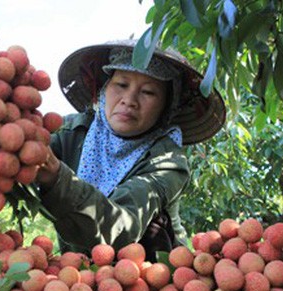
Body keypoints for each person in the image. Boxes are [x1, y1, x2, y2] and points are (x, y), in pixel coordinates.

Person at [35, 40, 226, 261]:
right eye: (122, 85)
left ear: (166, 107)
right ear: (105, 90)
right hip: (80, 275)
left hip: (151, 274)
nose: (129, 100)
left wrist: (56, 177)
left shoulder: (167, 161)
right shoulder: (71, 132)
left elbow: (123, 225)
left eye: (148, 92)